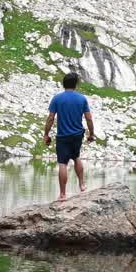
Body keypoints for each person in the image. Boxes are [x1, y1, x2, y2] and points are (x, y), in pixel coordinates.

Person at [44, 72, 95, 201]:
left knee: (62, 163)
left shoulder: (57, 98)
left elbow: (51, 118)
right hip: (77, 134)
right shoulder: (82, 99)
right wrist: (91, 133)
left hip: (63, 136)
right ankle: (82, 184)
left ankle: (62, 194)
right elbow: (88, 118)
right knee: (76, 157)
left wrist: (46, 134)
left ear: (63, 84)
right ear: (76, 84)